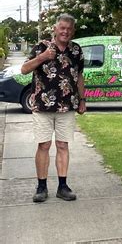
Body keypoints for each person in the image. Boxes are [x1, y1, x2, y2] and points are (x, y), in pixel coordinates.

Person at [21, 13, 86, 202]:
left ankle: (63, 186)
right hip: (42, 107)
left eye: (69, 29)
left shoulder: (76, 50)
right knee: (43, 145)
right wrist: (42, 57)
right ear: (55, 29)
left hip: (67, 106)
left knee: (63, 145)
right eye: (62, 28)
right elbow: (24, 69)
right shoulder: (42, 47)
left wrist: (82, 100)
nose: (65, 31)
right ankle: (41, 187)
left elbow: (79, 76)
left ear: (72, 31)